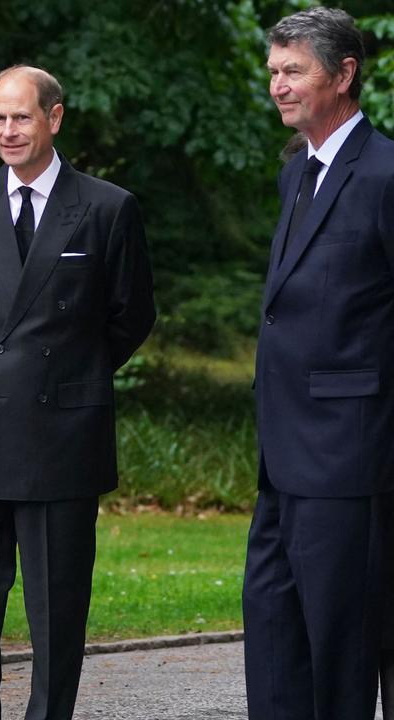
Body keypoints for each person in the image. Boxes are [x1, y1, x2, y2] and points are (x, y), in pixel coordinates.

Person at [0, 65, 155, 720]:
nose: (7, 131)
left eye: (21, 117)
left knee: (56, 620)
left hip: (62, 438)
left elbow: (131, 314)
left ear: (54, 119)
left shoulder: (109, 208)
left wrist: (68, 376)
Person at [243, 8, 394, 719]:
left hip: (351, 461)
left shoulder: (387, 174)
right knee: (273, 645)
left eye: (292, 70)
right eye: (273, 71)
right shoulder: (293, 175)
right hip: (280, 462)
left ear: (343, 74)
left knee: (340, 658)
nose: (277, 85)